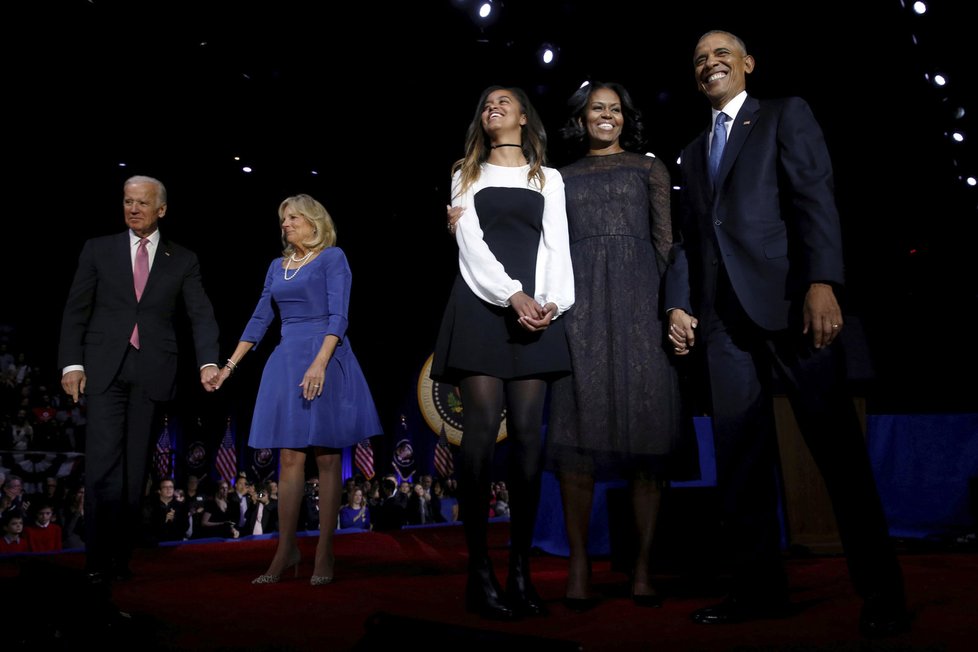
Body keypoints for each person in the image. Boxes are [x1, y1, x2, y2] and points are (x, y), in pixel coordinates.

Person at [665, 31, 909, 637]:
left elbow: (814, 199)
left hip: (792, 308)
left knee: (838, 454)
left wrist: (823, 280)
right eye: (699, 59)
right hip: (722, 325)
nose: (710, 63)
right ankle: (757, 591)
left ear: (748, 64)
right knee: (741, 463)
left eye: (721, 53)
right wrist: (680, 305)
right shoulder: (692, 153)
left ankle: (884, 595)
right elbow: (688, 242)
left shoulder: (783, 115)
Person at [543, 80, 690, 611]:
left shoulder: (649, 169)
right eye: (595, 109)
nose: (606, 116)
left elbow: (668, 245)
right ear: (581, 119)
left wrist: (677, 305)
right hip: (579, 313)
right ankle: (580, 563)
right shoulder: (558, 177)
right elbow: (547, 248)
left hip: (641, 312)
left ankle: (643, 567)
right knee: (576, 434)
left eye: (614, 110)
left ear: (624, 118)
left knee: (649, 438)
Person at [431, 85, 574, 620]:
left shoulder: (547, 177)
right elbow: (469, 243)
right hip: (482, 307)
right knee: (481, 435)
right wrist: (511, 293)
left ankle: (520, 570)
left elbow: (557, 243)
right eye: (486, 102)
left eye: (504, 100)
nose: (493, 105)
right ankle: (478, 570)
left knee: (530, 447)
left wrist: (551, 303)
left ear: (522, 117)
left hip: (537, 313)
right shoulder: (465, 172)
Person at [213, 193, 383, 586]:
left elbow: (339, 314)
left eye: (293, 217)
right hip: (287, 360)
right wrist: (228, 368)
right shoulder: (277, 266)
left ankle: (325, 550)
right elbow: (259, 318)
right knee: (288, 458)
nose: (285, 224)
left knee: (326, 456)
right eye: (282, 219)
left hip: (326, 355)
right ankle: (286, 549)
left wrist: (320, 363)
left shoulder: (332, 258)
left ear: (313, 222)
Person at [58, 175, 220, 584]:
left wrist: (207, 363)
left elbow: (200, 313)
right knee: (101, 469)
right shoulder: (98, 249)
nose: (133, 209)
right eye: (128, 201)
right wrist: (70, 364)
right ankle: (96, 560)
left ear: (161, 209)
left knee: (134, 473)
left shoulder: (182, 259)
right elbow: (75, 310)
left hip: (152, 372)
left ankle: (119, 558)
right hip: (104, 369)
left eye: (142, 203)